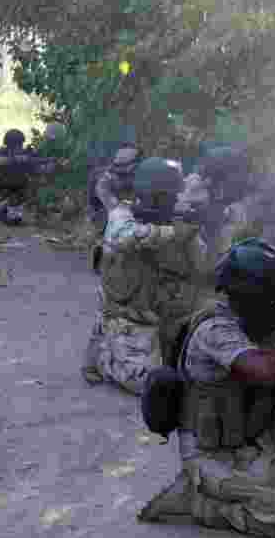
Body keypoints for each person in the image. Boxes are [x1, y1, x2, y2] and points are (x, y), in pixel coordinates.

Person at [137, 237, 275, 538]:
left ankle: (261, 483)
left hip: (252, 442)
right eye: (274, 297)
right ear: (250, 295)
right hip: (210, 454)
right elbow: (264, 371)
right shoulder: (215, 330)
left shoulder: (266, 332)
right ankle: (202, 502)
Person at [88, 156, 211, 394]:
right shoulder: (122, 216)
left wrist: (193, 234)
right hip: (128, 317)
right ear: (154, 195)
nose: (175, 199)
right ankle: (105, 356)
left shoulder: (177, 217)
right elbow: (123, 237)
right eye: (169, 195)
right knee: (150, 385)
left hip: (160, 312)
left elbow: (199, 266)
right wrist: (173, 233)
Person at [81, 142, 142, 384]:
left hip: (131, 236)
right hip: (111, 235)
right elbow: (112, 209)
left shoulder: (145, 177)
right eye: (118, 164)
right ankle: (92, 363)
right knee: (109, 307)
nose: (121, 169)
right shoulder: (105, 180)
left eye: (126, 165)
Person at [0, 128, 57, 225]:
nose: (18, 147)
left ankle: (16, 212)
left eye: (19, 145)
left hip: (20, 186)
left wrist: (49, 164)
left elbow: (35, 166)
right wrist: (15, 159)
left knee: (16, 215)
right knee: (8, 204)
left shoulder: (26, 153)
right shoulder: (1, 152)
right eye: (16, 145)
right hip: (3, 186)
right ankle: (4, 207)